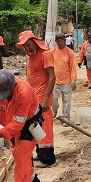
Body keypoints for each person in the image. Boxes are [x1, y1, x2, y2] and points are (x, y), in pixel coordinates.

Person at [15, 30, 56, 168]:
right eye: (25, 46)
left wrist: (46, 99)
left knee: (45, 126)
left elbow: (52, 76)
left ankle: (48, 158)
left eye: (28, 45)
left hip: (43, 96)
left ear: (34, 41)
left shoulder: (45, 54)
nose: (27, 48)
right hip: (34, 97)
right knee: (37, 125)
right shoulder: (33, 56)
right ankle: (41, 152)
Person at [50, 31, 78, 120]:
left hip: (66, 81)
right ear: (56, 41)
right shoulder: (52, 52)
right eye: (58, 41)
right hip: (55, 81)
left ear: (65, 41)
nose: (60, 43)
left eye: (61, 41)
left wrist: (74, 80)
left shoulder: (70, 52)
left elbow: (73, 67)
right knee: (53, 99)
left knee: (66, 100)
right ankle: (54, 110)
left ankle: (66, 117)